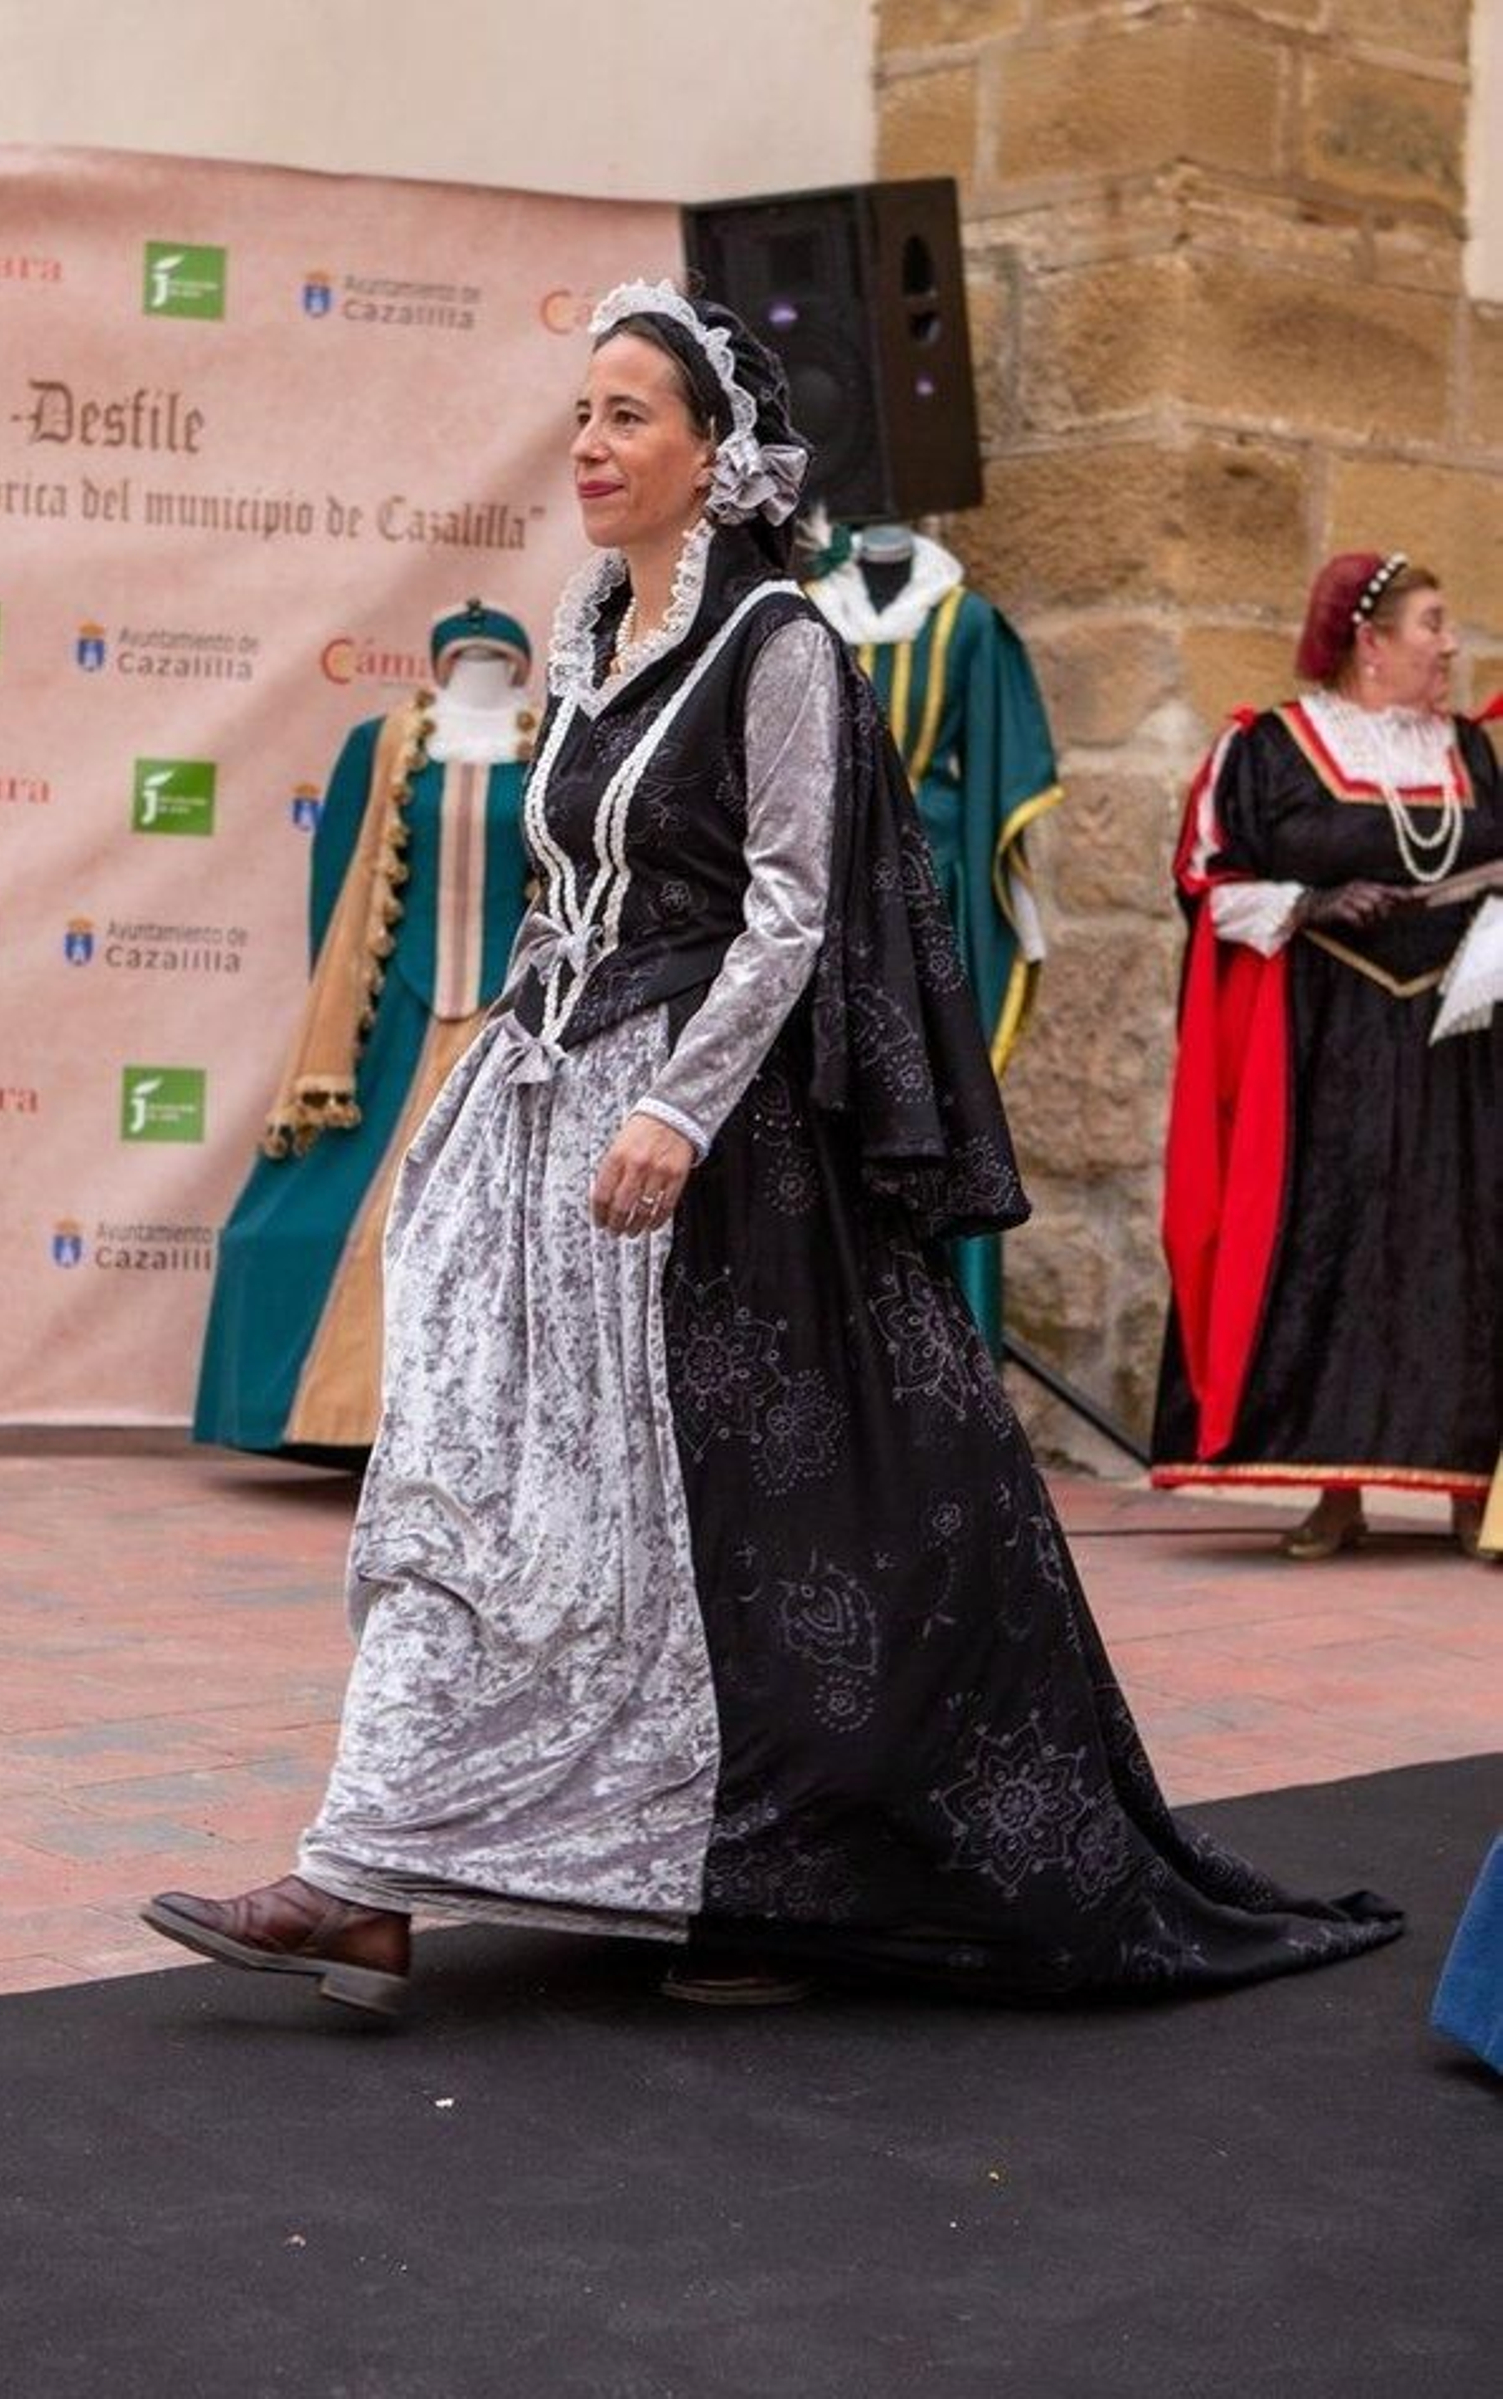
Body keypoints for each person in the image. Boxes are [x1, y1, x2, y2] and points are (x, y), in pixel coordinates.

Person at [143, 282, 1400, 2020]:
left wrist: (673, 1104)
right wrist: (495, 1081)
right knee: (479, 1505)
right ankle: (374, 1873)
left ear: (719, 457)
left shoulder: (782, 645)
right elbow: (564, 897)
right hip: (544, 1130)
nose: (588, 443)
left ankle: (735, 1876)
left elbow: (792, 908)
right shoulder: (587, 630)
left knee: (741, 1537)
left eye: (627, 416)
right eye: (579, 413)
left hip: (713, 1162)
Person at [1151, 553, 1502, 1560]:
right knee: (1332, 1248)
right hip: (1322, 1043)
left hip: (1460, 1043)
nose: (1447, 644)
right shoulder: (1271, 748)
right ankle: (1334, 1486)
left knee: (1458, 1251)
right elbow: (1205, 878)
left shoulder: (1471, 754)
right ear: (1370, 640)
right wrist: (1309, 902)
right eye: (1431, 623)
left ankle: (1469, 1488)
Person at [192, 606, 535, 1459]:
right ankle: (339, 1420)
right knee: (292, 1227)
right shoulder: (379, 743)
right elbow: (337, 888)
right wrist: (341, 1024)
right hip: (396, 1018)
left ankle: (477, 1441)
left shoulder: (555, 740)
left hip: (513, 1024)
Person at [803, 516, 1060, 1358]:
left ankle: (954, 1360)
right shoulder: (806, 611)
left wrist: (996, 918)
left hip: (928, 890)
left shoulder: (968, 622)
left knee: (934, 1105)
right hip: (813, 884)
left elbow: (998, 770)